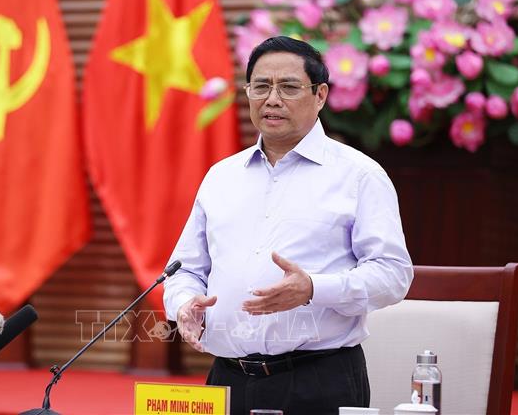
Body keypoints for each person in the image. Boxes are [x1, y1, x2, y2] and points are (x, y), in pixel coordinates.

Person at [163, 36, 413, 414]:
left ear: (320, 95)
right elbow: (183, 270)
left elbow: (393, 275)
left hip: (318, 380)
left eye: (289, 87)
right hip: (227, 379)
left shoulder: (359, 175)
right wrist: (184, 303)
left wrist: (313, 288)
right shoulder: (221, 177)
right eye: (261, 86)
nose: (272, 99)